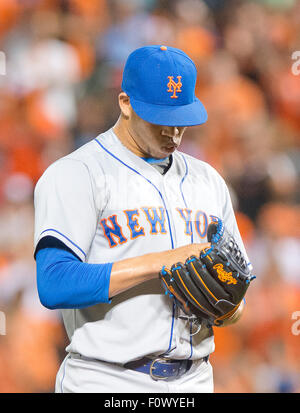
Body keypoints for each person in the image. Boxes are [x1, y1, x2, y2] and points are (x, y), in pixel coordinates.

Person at [34, 45, 251, 393]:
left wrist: (227, 307)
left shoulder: (208, 180)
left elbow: (237, 301)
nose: (173, 133)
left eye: (181, 121)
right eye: (160, 120)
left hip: (194, 379)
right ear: (125, 103)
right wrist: (162, 263)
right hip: (105, 378)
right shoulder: (78, 173)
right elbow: (54, 282)